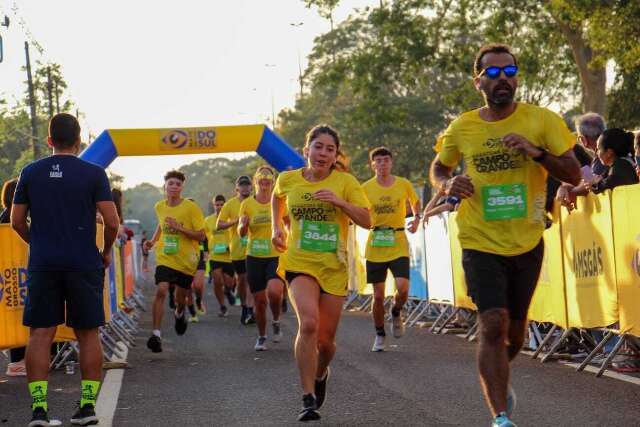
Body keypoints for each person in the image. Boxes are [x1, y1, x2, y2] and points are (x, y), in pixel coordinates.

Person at [429, 44, 580, 427]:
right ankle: (500, 416)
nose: (503, 80)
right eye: (493, 74)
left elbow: (574, 174)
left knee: (514, 333)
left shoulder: (542, 120)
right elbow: (438, 168)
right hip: (479, 239)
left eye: (509, 72)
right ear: (478, 80)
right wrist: (447, 184)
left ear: (516, 76)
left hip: (527, 240)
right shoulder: (463, 126)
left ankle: (497, 376)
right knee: (493, 322)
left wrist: (536, 152)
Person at [11, 113, 120, 426]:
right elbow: (112, 221)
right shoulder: (94, 173)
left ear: (49, 141)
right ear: (79, 141)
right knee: (87, 333)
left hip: (44, 263)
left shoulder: (30, 172)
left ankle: (39, 410)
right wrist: (107, 250)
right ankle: (87, 406)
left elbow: (17, 220)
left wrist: (38, 242)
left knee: (40, 334)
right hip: (83, 261)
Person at [272, 124, 371, 421]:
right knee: (309, 324)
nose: (323, 153)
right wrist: (277, 227)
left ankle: (321, 372)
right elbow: (277, 197)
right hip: (299, 262)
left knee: (326, 344)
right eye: (318, 147)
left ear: (335, 155)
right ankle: (307, 398)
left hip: (334, 267)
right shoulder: (288, 179)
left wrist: (340, 202)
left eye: (330, 149)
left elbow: (367, 220)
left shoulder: (346, 182)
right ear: (306, 150)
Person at [361, 147, 421, 352]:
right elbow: (357, 208)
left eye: (386, 160)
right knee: (378, 296)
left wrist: (416, 219)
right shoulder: (365, 188)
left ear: (391, 163)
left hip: (397, 241)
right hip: (376, 242)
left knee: (403, 288)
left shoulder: (403, 183)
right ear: (372, 165)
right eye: (378, 161)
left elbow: (415, 201)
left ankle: (396, 311)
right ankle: (379, 334)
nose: (382, 164)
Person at [143, 171, 205, 353]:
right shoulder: (159, 207)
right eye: (171, 183)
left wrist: (180, 227)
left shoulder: (191, 208)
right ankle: (156, 334)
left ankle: (179, 313)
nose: (174, 187)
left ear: (182, 188)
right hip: (165, 257)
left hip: (186, 260)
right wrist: (153, 242)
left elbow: (201, 235)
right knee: (161, 290)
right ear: (165, 186)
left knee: (180, 298)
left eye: (178, 184)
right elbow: (161, 226)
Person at [239, 166, 285, 351]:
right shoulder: (247, 204)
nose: (265, 182)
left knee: (275, 292)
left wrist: (287, 236)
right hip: (254, 255)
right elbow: (241, 231)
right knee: (259, 300)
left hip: (276, 253)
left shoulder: (280, 201)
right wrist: (242, 226)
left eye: (268, 179)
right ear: (255, 181)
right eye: (261, 179)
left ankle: (275, 319)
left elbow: (289, 223)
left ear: (273, 182)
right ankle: (262, 336)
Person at [216, 175, 255, 324]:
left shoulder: (257, 201)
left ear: (252, 187)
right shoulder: (230, 205)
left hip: (256, 247)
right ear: (237, 188)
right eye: (242, 185)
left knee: (252, 279)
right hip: (237, 248)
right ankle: (245, 307)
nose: (245, 188)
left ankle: (251, 310)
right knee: (243, 279)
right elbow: (219, 225)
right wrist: (235, 222)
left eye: (248, 185)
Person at [1, 178, 28, 377]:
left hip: (19, 274)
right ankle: (17, 361)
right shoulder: (7, 219)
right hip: (13, 275)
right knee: (16, 315)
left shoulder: (16, 217)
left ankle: (21, 359)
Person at [555, 113, 608, 211]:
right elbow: (588, 179)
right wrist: (566, 187)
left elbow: (590, 184)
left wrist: (571, 191)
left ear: (583, 140)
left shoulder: (603, 159)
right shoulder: (611, 152)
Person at [204, 195, 236, 317]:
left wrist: (231, 246)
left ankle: (228, 291)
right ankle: (222, 306)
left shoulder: (230, 220)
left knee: (229, 283)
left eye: (222, 204)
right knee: (217, 281)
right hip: (215, 256)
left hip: (229, 256)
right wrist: (206, 251)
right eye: (217, 204)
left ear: (225, 205)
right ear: (214, 206)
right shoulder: (208, 221)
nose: (219, 207)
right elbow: (204, 238)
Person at [590, 128, 639, 193]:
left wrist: (593, 185)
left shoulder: (621, 166)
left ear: (609, 152)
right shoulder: (614, 166)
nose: (596, 153)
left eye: (598, 149)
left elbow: (607, 184)